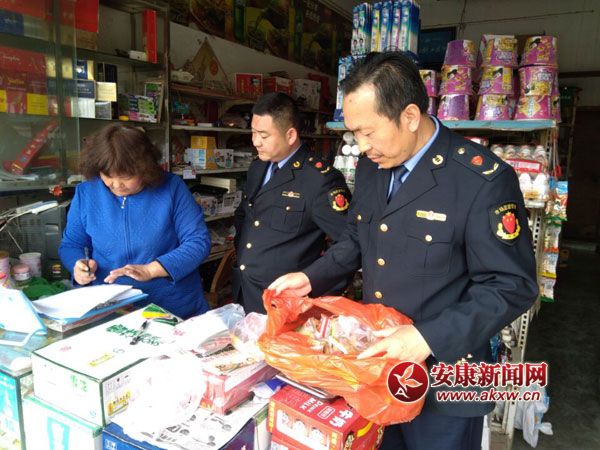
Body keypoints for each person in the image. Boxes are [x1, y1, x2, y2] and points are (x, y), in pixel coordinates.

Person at [269, 52, 538, 449]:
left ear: (410, 116)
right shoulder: (372, 167)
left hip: (445, 379)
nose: (362, 146)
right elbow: (358, 238)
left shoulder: (480, 179)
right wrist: (311, 277)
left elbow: (512, 285)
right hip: (377, 370)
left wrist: (425, 338)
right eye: (354, 134)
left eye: (368, 132)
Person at [59, 124, 211, 319]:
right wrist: (78, 266)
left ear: (145, 169)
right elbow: (71, 244)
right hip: (111, 305)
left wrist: (151, 270)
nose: (116, 185)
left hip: (171, 303)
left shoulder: (171, 188)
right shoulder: (87, 193)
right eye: (108, 176)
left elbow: (198, 242)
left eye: (126, 177)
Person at [233, 92, 351, 314]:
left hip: (286, 303)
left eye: (264, 135)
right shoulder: (258, 167)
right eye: (253, 133)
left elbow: (350, 242)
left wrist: (314, 285)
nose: (255, 141)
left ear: (290, 135)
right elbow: (246, 217)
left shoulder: (319, 179)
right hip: (245, 289)